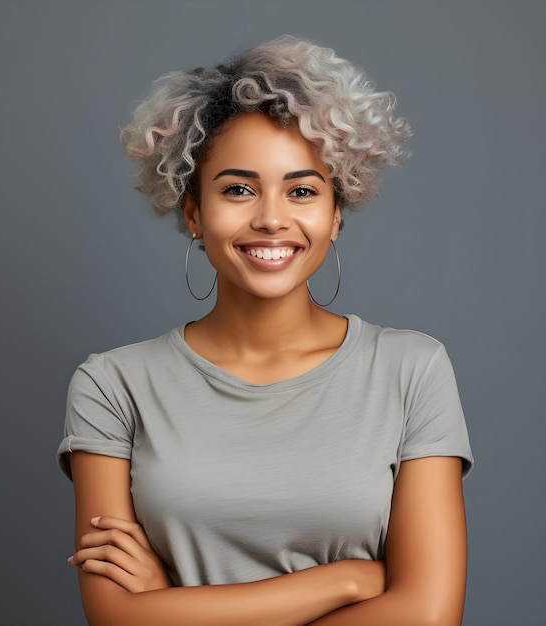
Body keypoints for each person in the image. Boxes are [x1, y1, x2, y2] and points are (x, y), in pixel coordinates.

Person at [58, 35, 473, 626]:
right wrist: (349, 580)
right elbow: (116, 617)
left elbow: (427, 616)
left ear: (335, 214)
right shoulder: (112, 385)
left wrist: (171, 607)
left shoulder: (412, 369)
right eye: (237, 189)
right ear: (194, 212)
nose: (272, 217)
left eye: (302, 190)